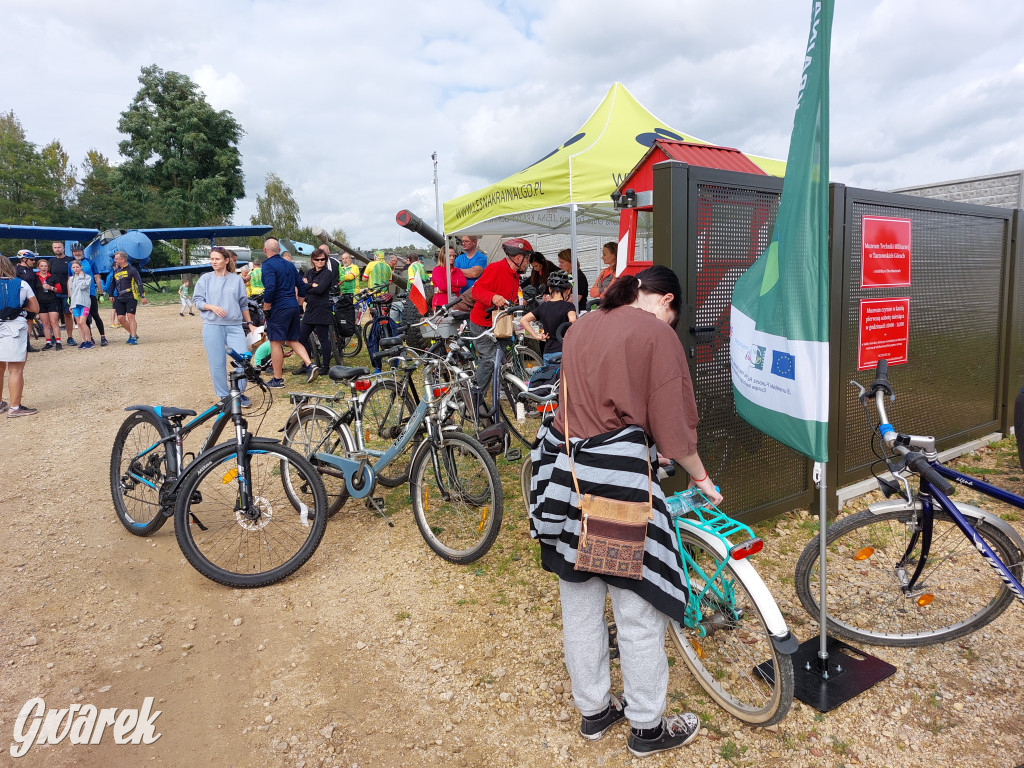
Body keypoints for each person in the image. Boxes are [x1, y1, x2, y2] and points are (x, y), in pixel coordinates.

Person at [528, 265, 721, 759]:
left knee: (580, 606)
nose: (669, 321)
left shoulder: (583, 325)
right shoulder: (654, 332)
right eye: (672, 313)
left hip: (568, 480)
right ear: (664, 300)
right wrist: (701, 477)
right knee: (636, 610)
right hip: (618, 485)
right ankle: (647, 728)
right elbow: (673, 425)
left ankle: (594, 712)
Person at [469, 237, 532, 393]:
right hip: (482, 324)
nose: (527, 263)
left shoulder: (515, 276)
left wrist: (519, 300)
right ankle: (476, 399)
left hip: (501, 324)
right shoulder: (495, 268)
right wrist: (492, 297)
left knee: (503, 360)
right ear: (518, 257)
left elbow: (509, 296)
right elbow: (476, 291)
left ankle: (507, 393)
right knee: (490, 360)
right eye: (527, 259)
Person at [193, 246, 255, 404]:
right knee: (217, 362)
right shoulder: (205, 279)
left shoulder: (236, 280)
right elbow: (198, 301)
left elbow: (243, 304)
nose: (213, 262)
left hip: (234, 326)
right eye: (212, 259)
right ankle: (224, 396)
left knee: (243, 360)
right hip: (212, 326)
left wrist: (250, 323)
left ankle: (238, 393)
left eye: (217, 259)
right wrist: (211, 307)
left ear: (226, 260)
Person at [260, 238, 317, 387]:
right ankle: (310, 364)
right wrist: (299, 305)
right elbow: (302, 287)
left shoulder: (267, 266)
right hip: (292, 305)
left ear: (265, 251)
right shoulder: (289, 265)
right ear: (279, 251)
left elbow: (270, 288)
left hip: (278, 308)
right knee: (292, 340)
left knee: (275, 342)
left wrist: (266, 308)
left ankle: (277, 379)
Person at [0, 255, 40, 417]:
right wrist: (22, 308)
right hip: (14, 327)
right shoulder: (21, 284)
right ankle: (15, 407)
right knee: (15, 370)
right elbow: (35, 308)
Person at [520, 270, 577, 363]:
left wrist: (536, 336)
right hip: (565, 351)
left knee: (550, 376)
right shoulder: (568, 306)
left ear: (550, 289)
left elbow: (523, 320)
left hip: (548, 352)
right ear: (568, 290)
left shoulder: (543, 306)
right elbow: (573, 320)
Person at [295, 250, 335, 377]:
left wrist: (308, 286)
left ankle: (325, 366)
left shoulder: (327, 273)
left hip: (322, 309)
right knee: (301, 337)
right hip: (311, 308)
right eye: (317, 259)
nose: (320, 262)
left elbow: (320, 289)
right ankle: (307, 364)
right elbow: (301, 287)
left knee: (323, 338)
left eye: (322, 259)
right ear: (312, 260)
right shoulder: (309, 272)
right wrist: (311, 284)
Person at [70, 243, 108, 347]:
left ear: (83, 251)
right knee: (85, 318)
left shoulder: (90, 262)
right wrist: (70, 297)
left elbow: (97, 278)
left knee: (95, 315)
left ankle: (103, 336)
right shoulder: (71, 264)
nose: (77, 253)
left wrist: (100, 293)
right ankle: (89, 338)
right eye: (75, 251)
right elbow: (69, 281)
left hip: (90, 293)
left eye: (79, 251)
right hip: (77, 296)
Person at [109, 251, 146, 344]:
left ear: (123, 259)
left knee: (130, 316)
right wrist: (110, 295)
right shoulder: (116, 270)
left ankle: (133, 338)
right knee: (121, 318)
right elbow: (113, 283)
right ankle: (133, 333)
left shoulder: (132, 269)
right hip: (119, 297)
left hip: (131, 296)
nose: (115, 260)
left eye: (116, 258)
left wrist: (142, 296)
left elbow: (139, 282)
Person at [49, 241, 75, 345]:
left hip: (66, 292)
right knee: (53, 316)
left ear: (63, 248)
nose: (57, 249)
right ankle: (54, 336)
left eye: (59, 247)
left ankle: (70, 337)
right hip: (54, 293)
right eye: (55, 247)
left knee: (67, 315)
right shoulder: (51, 261)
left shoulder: (70, 260)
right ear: (53, 249)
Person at [15, 251, 42, 353]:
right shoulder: (17, 270)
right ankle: (18, 345)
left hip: (31, 298)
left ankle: (27, 345)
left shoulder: (30, 270)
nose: (33, 262)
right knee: (20, 321)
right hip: (21, 300)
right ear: (24, 259)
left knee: (29, 321)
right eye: (31, 259)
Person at [34, 259, 64, 350]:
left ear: (48, 267)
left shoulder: (52, 277)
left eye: (45, 266)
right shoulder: (35, 277)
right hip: (41, 302)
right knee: (45, 323)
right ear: (38, 267)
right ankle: (48, 342)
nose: (44, 268)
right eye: (42, 266)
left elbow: (59, 289)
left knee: (54, 322)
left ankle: (58, 342)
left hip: (52, 301)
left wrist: (50, 287)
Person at [68, 260, 95, 349]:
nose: (75, 269)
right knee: (78, 323)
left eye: (77, 267)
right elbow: (71, 292)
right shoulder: (71, 279)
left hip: (84, 302)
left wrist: (80, 277)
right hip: (75, 303)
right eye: (73, 267)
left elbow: (82, 286)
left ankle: (89, 340)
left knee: (82, 322)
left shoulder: (87, 277)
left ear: (81, 267)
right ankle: (83, 341)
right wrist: (71, 305)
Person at [336, 251, 360, 343]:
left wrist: (341, 276)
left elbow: (350, 277)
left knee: (354, 311)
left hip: (353, 292)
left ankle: (355, 329)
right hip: (343, 293)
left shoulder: (355, 267)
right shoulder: (341, 268)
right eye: (343, 259)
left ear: (350, 259)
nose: (344, 260)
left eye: (346, 258)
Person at [557, 248, 589, 313]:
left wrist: (557, 303)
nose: (560, 265)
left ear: (571, 262)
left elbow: (575, 299)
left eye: (562, 262)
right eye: (559, 262)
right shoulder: (568, 276)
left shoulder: (578, 276)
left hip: (576, 313)